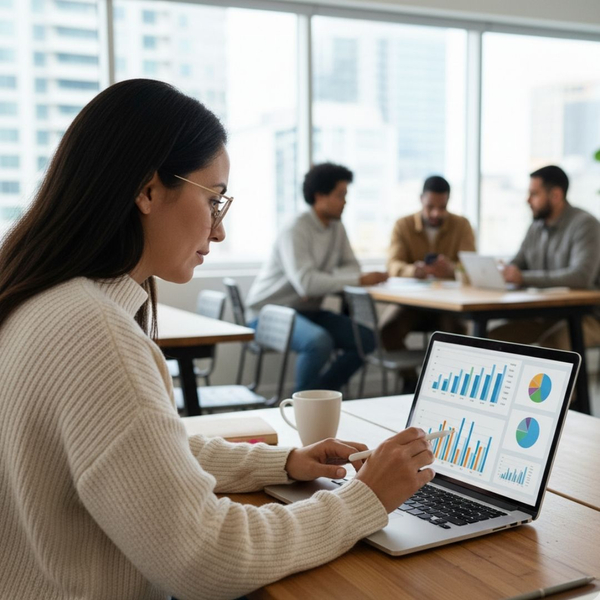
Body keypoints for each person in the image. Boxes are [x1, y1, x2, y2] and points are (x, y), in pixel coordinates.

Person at [0, 80, 435, 600]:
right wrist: (363, 499)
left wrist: (282, 463)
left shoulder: (39, 295)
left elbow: (144, 455)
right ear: (147, 189)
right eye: (214, 200)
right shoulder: (97, 333)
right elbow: (205, 556)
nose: (220, 230)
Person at [246, 162, 388, 393]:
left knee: (366, 339)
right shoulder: (295, 229)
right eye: (340, 195)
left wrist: (320, 280)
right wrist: (335, 281)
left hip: (308, 311)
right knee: (318, 342)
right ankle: (302, 408)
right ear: (319, 196)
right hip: (268, 312)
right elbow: (308, 283)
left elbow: (351, 267)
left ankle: (318, 397)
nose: (345, 201)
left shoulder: (336, 228)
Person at [490, 165, 600, 349]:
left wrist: (522, 278)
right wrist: (504, 272)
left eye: (534, 194)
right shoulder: (536, 226)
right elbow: (518, 263)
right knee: (491, 339)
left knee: (551, 345)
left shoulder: (585, 225)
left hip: (587, 317)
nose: (528, 200)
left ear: (555, 195)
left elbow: (581, 277)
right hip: (546, 315)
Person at [380, 177, 475, 386]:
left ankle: (446, 387)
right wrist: (415, 270)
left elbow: (471, 266)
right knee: (387, 330)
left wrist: (451, 268)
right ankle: (413, 385)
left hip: (448, 305)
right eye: (430, 207)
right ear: (421, 200)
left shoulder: (462, 225)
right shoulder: (402, 225)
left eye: (442, 207)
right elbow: (393, 265)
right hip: (412, 305)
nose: (436, 213)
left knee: (457, 336)